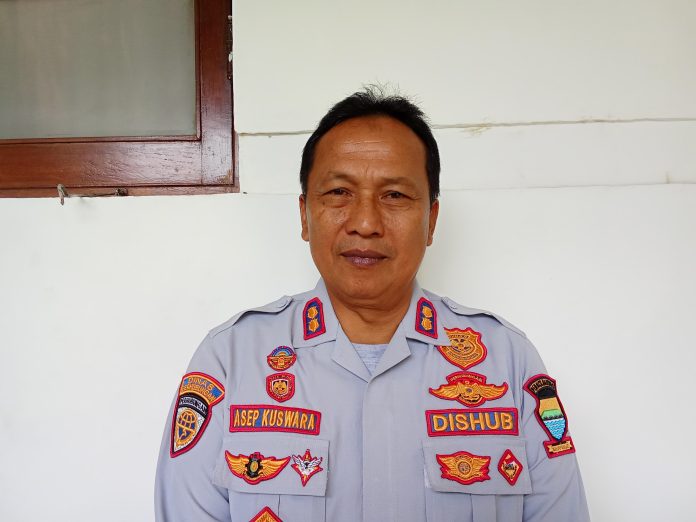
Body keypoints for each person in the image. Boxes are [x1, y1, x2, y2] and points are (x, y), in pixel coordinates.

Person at [155, 88, 590, 522]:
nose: (365, 223)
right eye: (339, 192)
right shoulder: (231, 360)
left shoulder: (507, 361)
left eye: (394, 195)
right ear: (304, 215)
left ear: (431, 220)